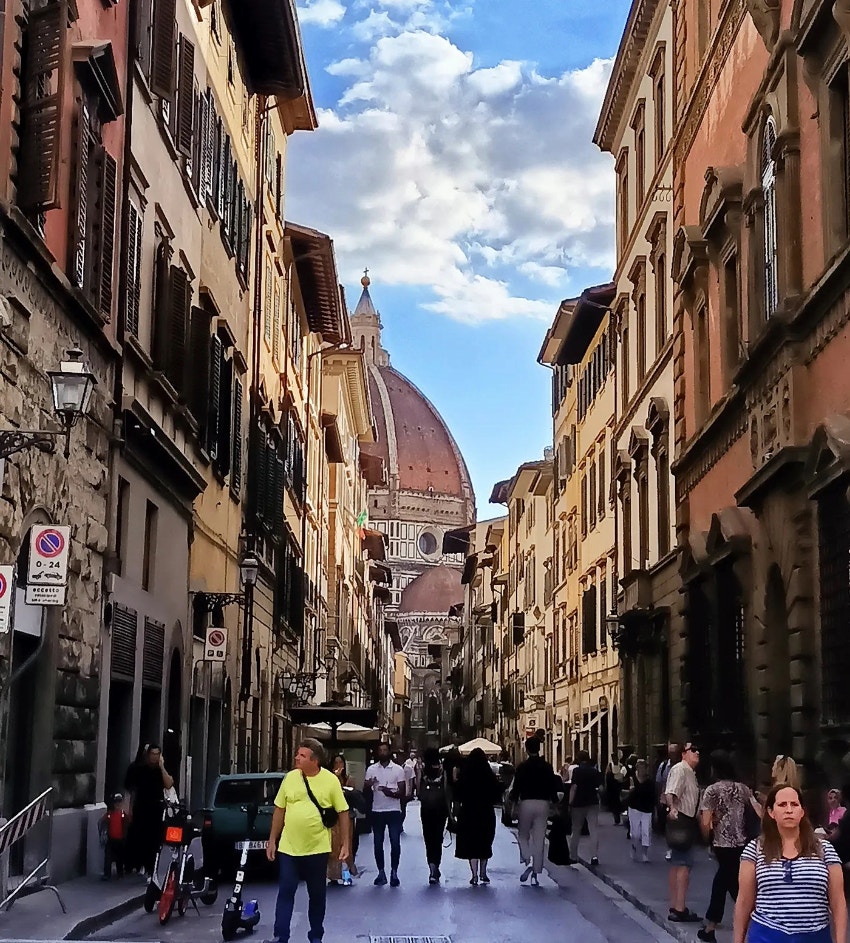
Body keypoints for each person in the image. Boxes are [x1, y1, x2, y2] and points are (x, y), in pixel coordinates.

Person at [733, 783, 846, 943]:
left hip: (815, 935)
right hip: (767, 935)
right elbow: (744, 900)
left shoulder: (824, 849)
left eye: (794, 804)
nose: (789, 809)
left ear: (802, 811)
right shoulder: (755, 849)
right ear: (771, 812)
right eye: (782, 804)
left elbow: (838, 901)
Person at [265, 739, 350, 943]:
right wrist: (272, 840)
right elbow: (279, 810)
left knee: (317, 894)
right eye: (297, 754)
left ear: (315, 760)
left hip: (316, 849)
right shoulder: (290, 778)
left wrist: (345, 843)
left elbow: (343, 812)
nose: (297, 758)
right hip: (289, 848)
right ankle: (281, 936)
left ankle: (316, 935)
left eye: (302, 756)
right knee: (286, 891)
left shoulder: (330, 781)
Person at [697, 750, 758, 943]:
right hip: (742, 842)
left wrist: (706, 839)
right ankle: (750, 919)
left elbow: (706, 822)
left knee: (722, 882)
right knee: (732, 883)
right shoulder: (743, 788)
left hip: (722, 843)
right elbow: (758, 811)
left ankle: (711, 928)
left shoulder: (712, 790)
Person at [510, 737, 558, 885]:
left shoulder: (522, 767)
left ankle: (527, 857)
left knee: (523, 835)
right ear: (539, 748)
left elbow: (516, 788)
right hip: (543, 804)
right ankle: (536, 873)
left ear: (526, 749)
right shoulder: (547, 767)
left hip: (526, 803)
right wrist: (555, 805)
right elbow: (552, 786)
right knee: (539, 838)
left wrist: (513, 806)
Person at [454, 747, 502, 885]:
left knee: (471, 843)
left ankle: (474, 874)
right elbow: (496, 795)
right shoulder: (489, 775)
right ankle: (483, 872)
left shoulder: (465, 776)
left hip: (468, 812)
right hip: (485, 812)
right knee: (485, 842)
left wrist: (454, 814)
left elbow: (457, 795)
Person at [665, 741, 702, 923]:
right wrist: (672, 808)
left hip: (685, 820)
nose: (697, 752)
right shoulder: (681, 769)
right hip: (682, 820)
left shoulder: (689, 772)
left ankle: (676, 906)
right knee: (683, 864)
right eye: (693, 749)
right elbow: (671, 792)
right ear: (683, 754)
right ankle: (679, 908)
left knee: (678, 863)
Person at [124, 743, 173, 876]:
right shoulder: (138, 769)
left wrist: (162, 766)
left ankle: (151, 869)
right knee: (140, 838)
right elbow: (131, 789)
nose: (155, 757)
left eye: (158, 754)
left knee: (155, 840)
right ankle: (138, 865)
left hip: (156, 809)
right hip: (141, 807)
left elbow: (169, 784)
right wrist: (128, 807)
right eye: (153, 754)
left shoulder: (160, 770)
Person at [365, 742, 407, 887]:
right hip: (377, 810)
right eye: (380, 750)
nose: (382, 752)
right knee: (378, 843)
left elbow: (402, 792)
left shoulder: (397, 770)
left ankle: (394, 872)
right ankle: (381, 872)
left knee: (395, 842)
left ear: (389, 752)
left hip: (393, 810)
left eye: (385, 750)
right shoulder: (371, 769)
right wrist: (370, 783)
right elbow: (365, 787)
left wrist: (388, 792)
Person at [418, 748, 449, 884]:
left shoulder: (422, 770)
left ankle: (431, 868)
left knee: (428, 839)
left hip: (426, 809)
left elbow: (418, 791)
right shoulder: (443, 770)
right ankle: (436, 865)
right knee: (438, 839)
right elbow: (447, 790)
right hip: (440, 808)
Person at [327, 755, 358, 885]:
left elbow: (351, 794)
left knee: (346, 846)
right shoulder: (328, 778)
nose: (338, 765)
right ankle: (333, 875)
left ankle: (346, 875)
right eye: (336, 762)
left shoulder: (348, 779)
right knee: (333, 847)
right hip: (333, 818)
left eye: (341, 762)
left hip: (346, 817)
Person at [568, 751, 602, 867]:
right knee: (593, 830)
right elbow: (601, 787)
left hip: (578, 803)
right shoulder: (594, 771)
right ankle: (594, 856)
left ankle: (573, 856)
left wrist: (570, 802)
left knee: (576, 830)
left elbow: (574, 787)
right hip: (592, 802)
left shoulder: (577, 771)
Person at [626, 759, 655, 863]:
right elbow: (628, 792)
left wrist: (654, 807)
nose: (642, 770)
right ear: (637, 768)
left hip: (646, 809)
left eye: (644, 768)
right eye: (640, 768)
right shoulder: (632, 779)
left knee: (646, 832)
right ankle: (633, 847)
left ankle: (644, 854)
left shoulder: (650, 782)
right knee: (635, 833)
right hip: (634, 808)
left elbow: (653, 795)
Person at [656, 742, 680, 847]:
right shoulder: (664, 766)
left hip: (679, 801)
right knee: (667, 825)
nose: (672, 755)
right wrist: (659, 798)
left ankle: (675, 845)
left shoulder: (682, 766)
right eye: (671, 752)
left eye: (674, 752)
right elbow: (659, 782)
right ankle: (670, 846)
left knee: (676, 825)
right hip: (665, 800)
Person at [100, 792, 127, 881]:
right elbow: (101, 822)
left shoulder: (124, 815)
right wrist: (103, 833)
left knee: (120, 857)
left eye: (119, 802)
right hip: (111, 839)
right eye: (116, 802)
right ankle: (107, 874)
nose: (118, 804)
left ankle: (120, 873)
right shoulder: (109, 814)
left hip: (120, 840)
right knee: (108, 857)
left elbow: (127, 826)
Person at [605, 757, 624, 826]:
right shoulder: (614, 766)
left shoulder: (613, 766)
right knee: (616, 804)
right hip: (614, 788)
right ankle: (617, 818)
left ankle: (617, 818)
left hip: (614, 789)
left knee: (615, 805)